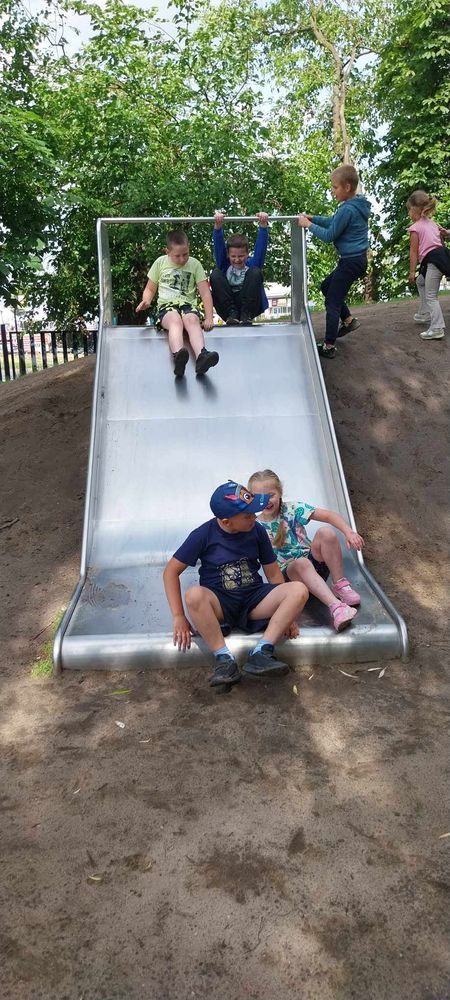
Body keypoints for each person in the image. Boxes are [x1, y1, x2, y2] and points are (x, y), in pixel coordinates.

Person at [163, 480, 308, 688]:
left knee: (298, 590)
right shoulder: (203, 535)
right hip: (220, 604)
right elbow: (170, 572)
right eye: (247, 516)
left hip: (254, 600)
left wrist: (287, 615)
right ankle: (224, 659)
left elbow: (273, 572)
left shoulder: (257, 531)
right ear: (226, 521)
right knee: (194, 595)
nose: (254, 518)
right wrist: (178, 616)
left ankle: (262, 652)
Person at [247, 470, 364, 633]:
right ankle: (336, 607)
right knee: (301, 563)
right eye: (260, 497)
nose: (266, 501)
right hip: (289, 579)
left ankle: (339, 585)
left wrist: (349, 532)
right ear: (252, 499)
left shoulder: (292, 509)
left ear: (280, 492)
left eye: (271, 495)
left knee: (326, 533)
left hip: (314, 569)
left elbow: (329, 516)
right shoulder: (254, 526)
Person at [297, 165, 370, 358]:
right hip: (356, 260)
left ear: (347, 187)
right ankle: (349, 320)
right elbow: (333, 222)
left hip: (350, 262)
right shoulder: (356, 206)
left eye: (335, 187)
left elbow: (329, 235)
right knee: (326, 286)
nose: (332, 190)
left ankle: (329, 346)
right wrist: (314, 218)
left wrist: (308, 225)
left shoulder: (347, 209)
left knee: (332, 301)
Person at [136, 229, 218, 377]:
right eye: (177, 256)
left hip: (188, 306)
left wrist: (208, 317)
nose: (182, 259)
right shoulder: (160, 263)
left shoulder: (195, 264)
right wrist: (146, 300)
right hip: (167, 307)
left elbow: (205, 293)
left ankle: (202, 356)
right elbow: (150, 288)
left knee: (192, 320)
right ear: (167, 252)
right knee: (175, 321)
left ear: (189, 248)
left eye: (185, 254)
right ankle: (178, 356)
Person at [210, 211, 269, 325]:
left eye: (241, 256)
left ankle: (246, 314)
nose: (237, 260)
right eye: (233, 256)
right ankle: (232, 313)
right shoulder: (225, 265)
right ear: (228, 255)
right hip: (228, 306)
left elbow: (261, 249)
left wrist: (263, 226)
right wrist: (218, 227)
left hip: (249, 304)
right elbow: (218, 248)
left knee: (255, 272)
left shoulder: (252, 264)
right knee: (216, 274)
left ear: (247, 254)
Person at [407, 190, 450, 341]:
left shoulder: (415, 228)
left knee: (431, 295)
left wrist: (412, 272)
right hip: (442, 256)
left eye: (409, 210)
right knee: (421, 281)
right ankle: (424, 312)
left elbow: (413, 252)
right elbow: (441, 243)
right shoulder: (433, 224)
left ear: (415, 209)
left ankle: (437, 328)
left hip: (432, 261)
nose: (408, 213)